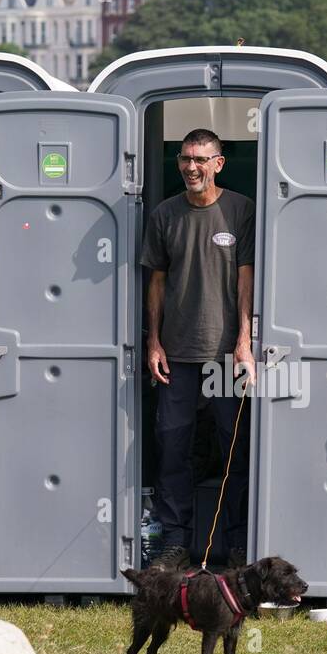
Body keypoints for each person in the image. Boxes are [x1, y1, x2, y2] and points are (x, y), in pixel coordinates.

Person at [141, 128, 256, 572]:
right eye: (185, 159)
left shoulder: (240, 210)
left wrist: (244, 342)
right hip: (177, 357)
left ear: (219, 163)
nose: (192, 167)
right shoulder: (165, 214)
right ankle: (174, 544)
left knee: (235, 452)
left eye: (201, 159)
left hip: (227, 356)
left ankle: (238, 543)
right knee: (172, 449)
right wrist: (154, 340)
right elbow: (157, 281)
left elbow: (246, 279)